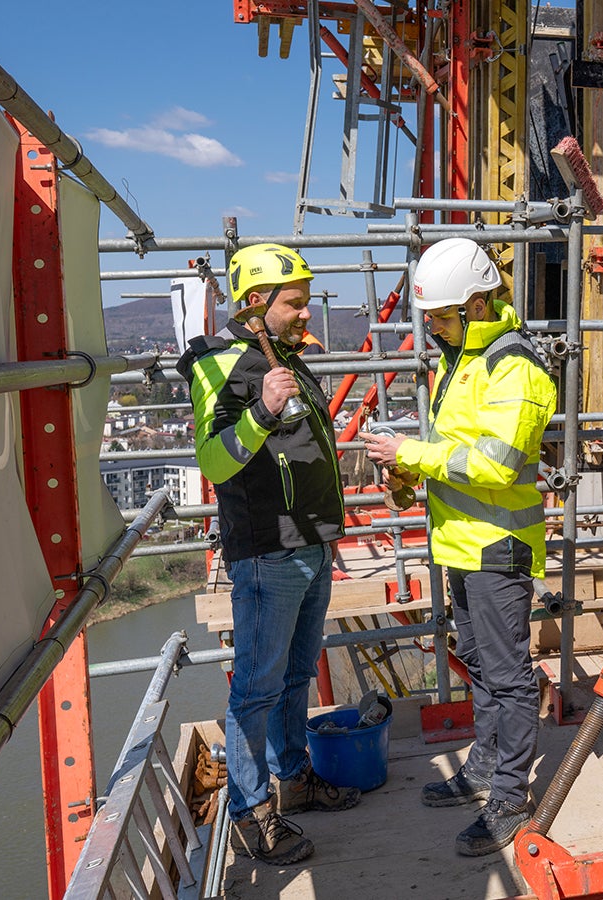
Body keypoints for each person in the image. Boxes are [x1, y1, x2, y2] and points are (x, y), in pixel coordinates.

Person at [358, 237, 558, 857]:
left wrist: (411, 454)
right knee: (479, 663)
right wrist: (409, 470)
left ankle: (509, 794)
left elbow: (496, 464)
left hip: (497, 546)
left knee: (508, 674)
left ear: (477, 303)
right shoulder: (460, 357)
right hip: (461, 544)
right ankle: (484, 767)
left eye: (442, 316)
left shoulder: (513, 367)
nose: (435, 328)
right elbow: (459, 450)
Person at [178, 243, 361, 866]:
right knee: (255, 689)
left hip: (310, 546)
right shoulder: (220, 364)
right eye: (296, 303)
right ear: (257, 303)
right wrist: (262, 410)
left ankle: (294, 778)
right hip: (268, 553)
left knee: (294, 676)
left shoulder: (281, 354)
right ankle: (252, 813)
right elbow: (214, 460)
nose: (307, 314)